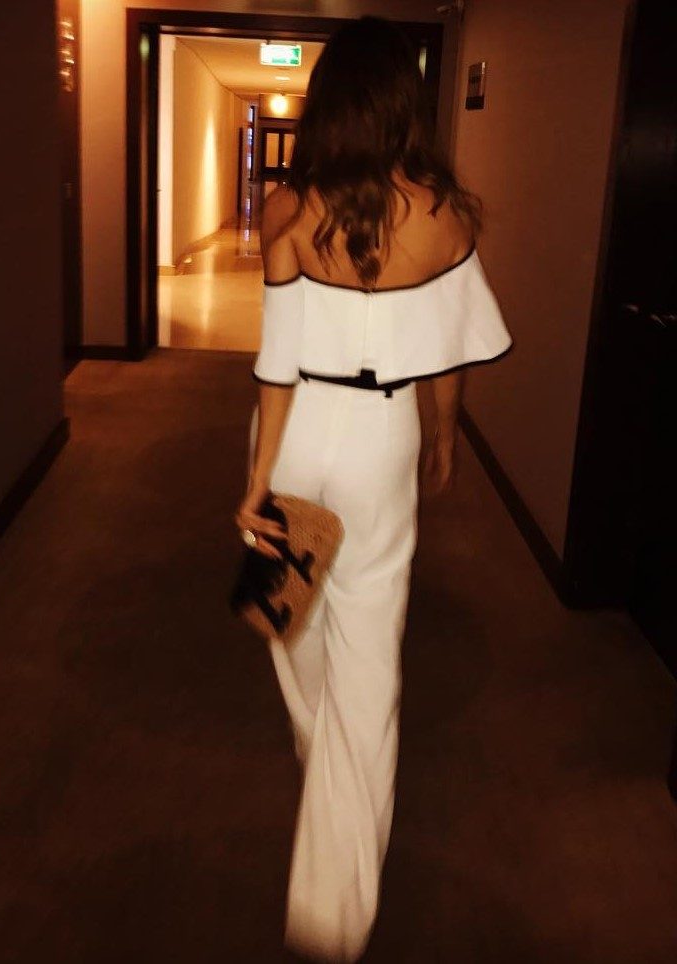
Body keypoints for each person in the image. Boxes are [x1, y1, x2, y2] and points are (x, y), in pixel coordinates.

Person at [234, 15, 512, 962]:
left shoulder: (287, 207)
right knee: (369, 655)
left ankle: (322, 760)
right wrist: (444, 434)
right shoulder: (444, 214)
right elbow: (449, 352)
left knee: (289, 621)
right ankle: (334, 914)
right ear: (403, 104)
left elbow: (276, 363)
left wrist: (257, 481)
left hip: (295, 433)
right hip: (379, 437)